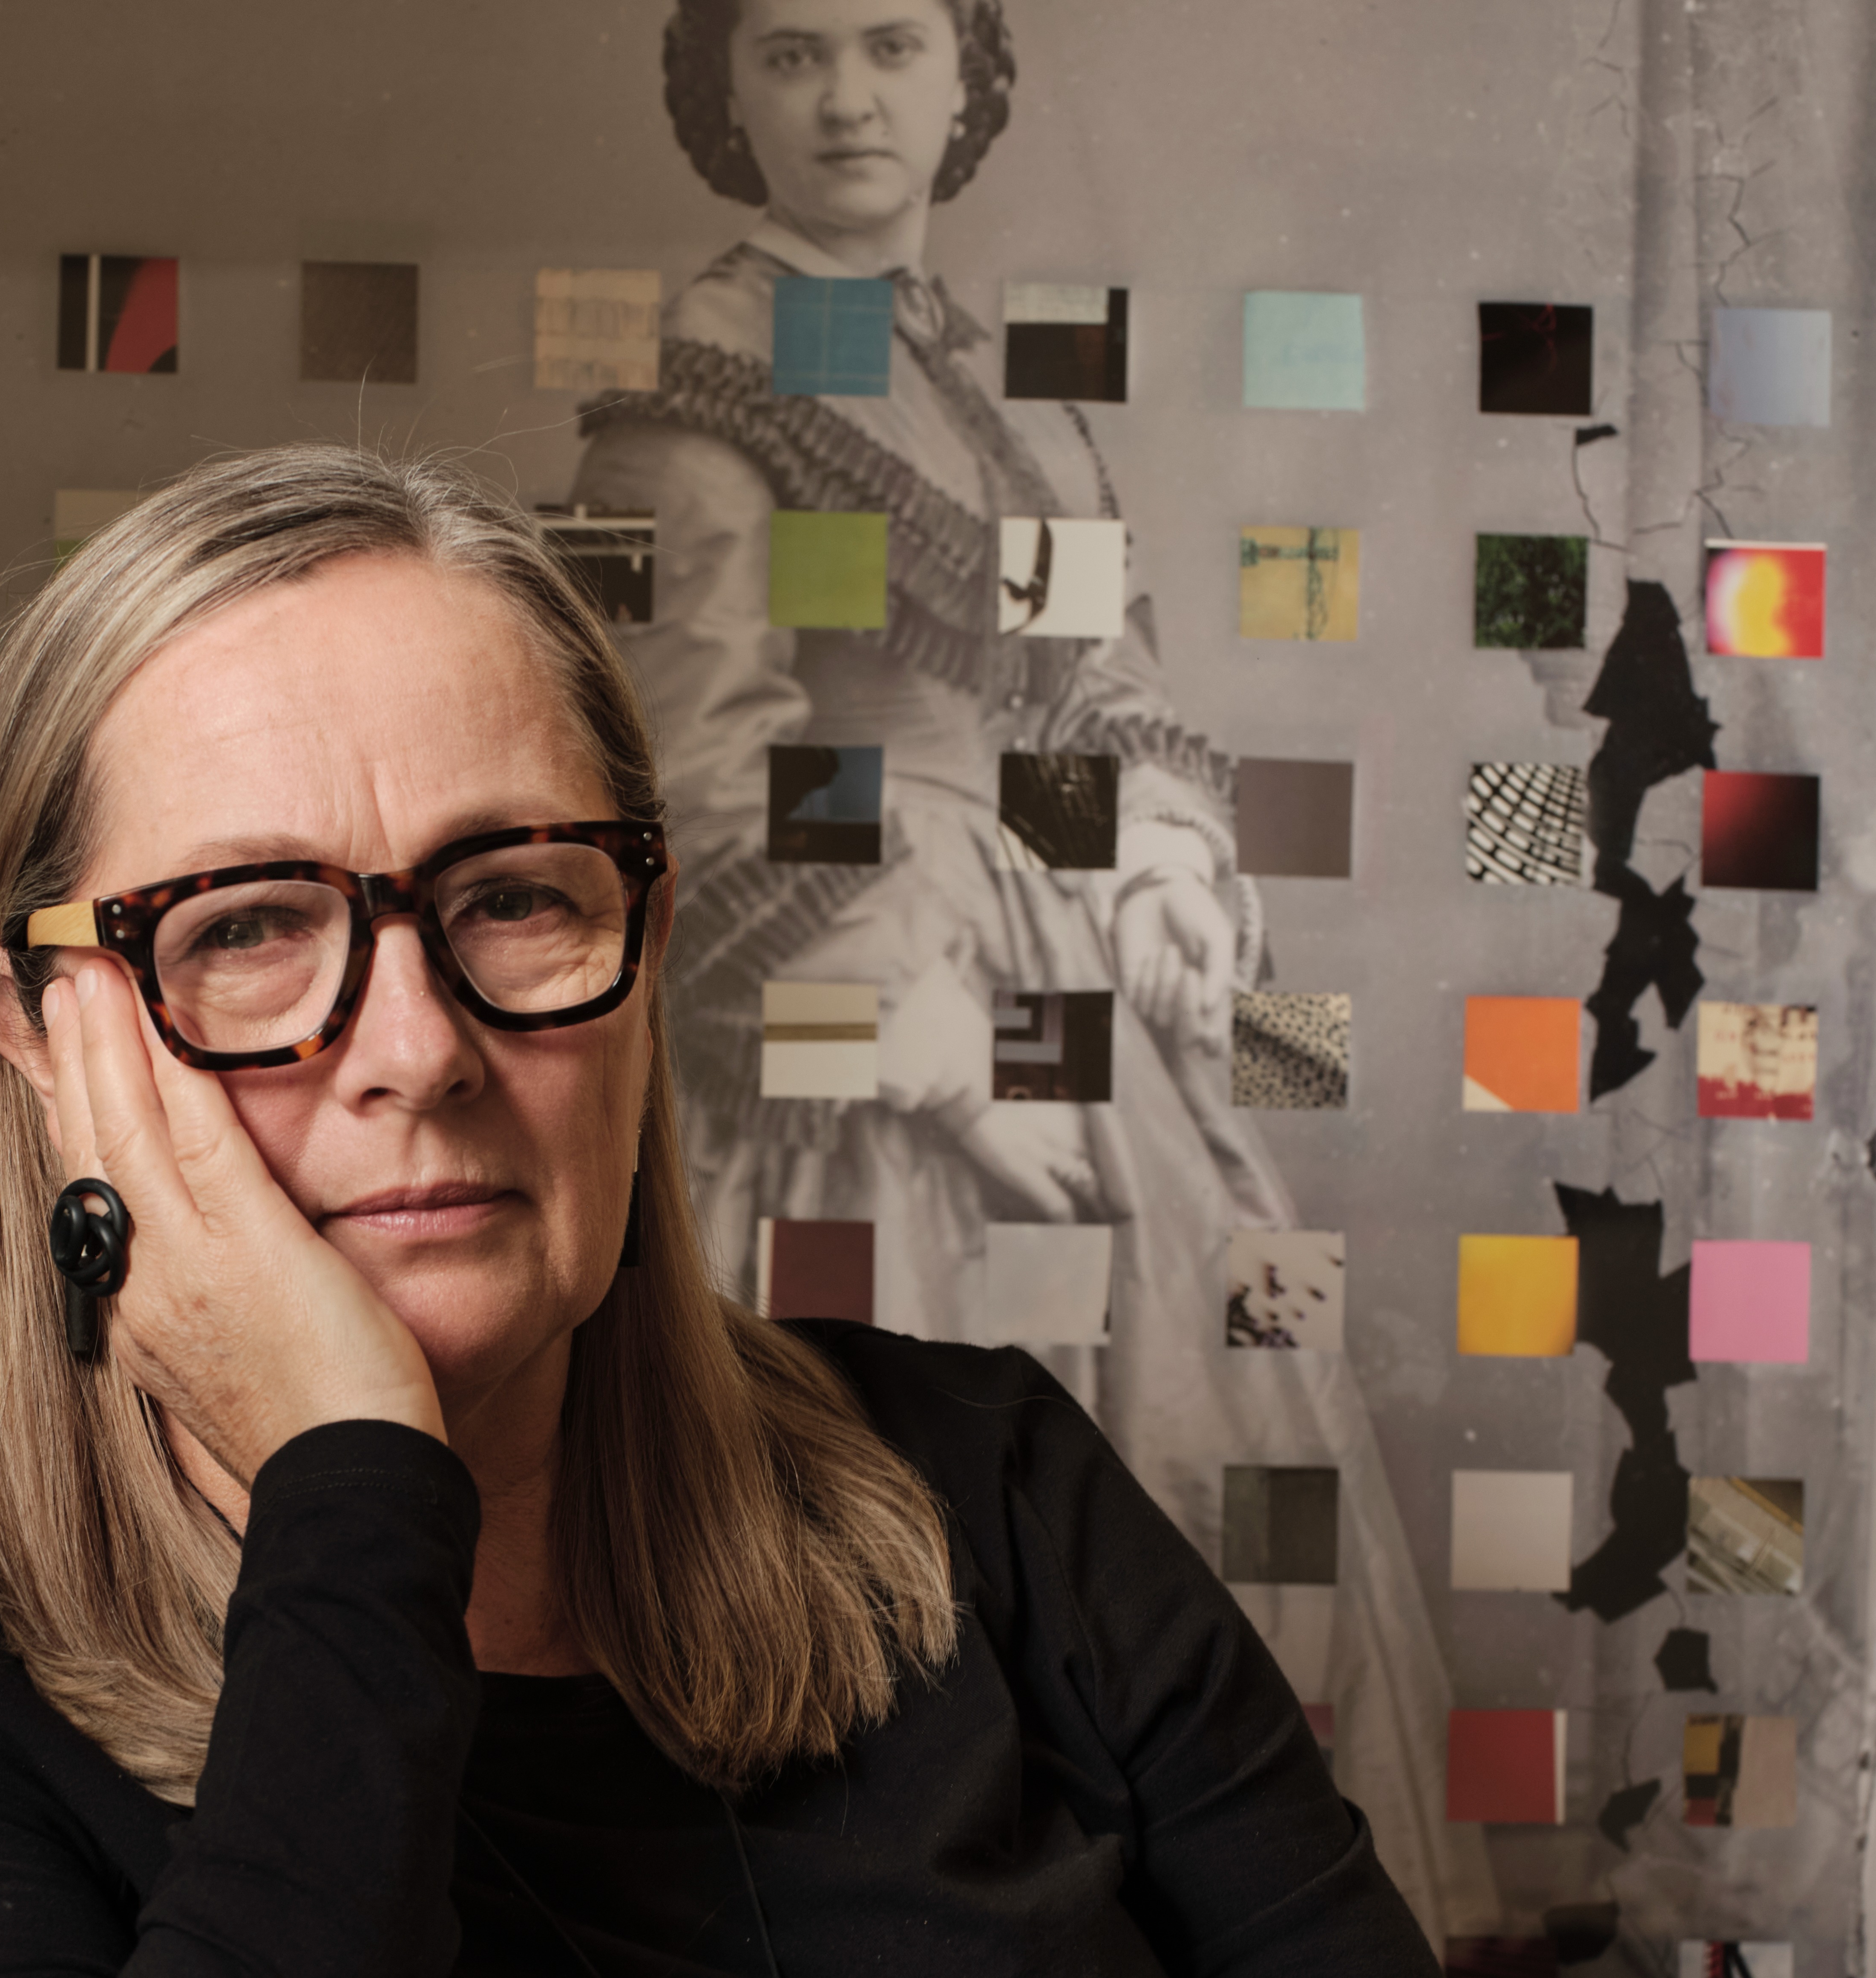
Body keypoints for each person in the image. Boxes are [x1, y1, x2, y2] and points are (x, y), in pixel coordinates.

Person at [0, 443, 1431, 1973]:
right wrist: (353, 1479)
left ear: (649, 953)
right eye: (250, 929)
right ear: (41, 1033)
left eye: (513, 896)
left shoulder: (999, 1494)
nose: (418, 1050)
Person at [569, 0, 1493, 1929]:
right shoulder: (702, 368)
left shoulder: (995, 380)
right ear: (720, 89)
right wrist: (923, 1038)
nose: (845, 99)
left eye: (893, 46)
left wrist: (1149, 859)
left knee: (1166, 1533)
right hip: (854, 1034)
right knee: (899, 1573)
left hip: (1060, 982)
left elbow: (1085, 692)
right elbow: (692, 772)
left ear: (968, 80)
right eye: (794, 51)